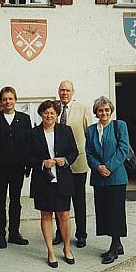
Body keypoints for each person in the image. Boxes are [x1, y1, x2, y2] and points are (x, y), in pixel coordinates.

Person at [28, 100, 78, 268]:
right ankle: (50, 251)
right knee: (46, 215)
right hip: (43, 182)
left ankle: (66, 248)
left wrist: (65, 160)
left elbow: (74, 152)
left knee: (64, 215)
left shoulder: (66, 130)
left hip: (62, 179)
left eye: (52, 113)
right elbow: (27, 157)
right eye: (45, 113)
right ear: (41, 114)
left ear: (57, 115)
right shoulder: (33, 133)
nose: (49, 116)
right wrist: (42, 163)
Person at [85, 96, 129, 265]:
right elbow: (88, 152)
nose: (103, 112)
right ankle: (118, 244)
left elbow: (123, 149)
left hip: (116, 177)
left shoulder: (120, 126)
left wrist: (108, 167)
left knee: (115, 212)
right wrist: (98, 167)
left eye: (106, 110)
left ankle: (113, 248)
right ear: (96, 112)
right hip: (99, 178)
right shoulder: (90, 130)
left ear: (111, 111)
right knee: (103, 211)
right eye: (100, 110)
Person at [53, 80, 92, 248]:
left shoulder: (82, 109)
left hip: (78, 163)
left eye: (67, 90)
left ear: (73, 91)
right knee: (59, 200)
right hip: (58, 164)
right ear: (58, 91)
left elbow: (89, 135)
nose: (64, 93)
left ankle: (81, 234)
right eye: (62, 90)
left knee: (78, 200)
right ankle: (60, 232)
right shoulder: (54, 109)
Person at [0, 86, 32, 248]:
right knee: (0, 200)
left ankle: (14, 233)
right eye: (4, 99)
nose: (7, 102)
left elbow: (28, 144)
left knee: (15, 200)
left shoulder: (24, 119)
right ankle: (0, 234)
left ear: (15, 100)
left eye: (10, 98)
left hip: (17, 168)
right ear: (1, 101)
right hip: (0, 169)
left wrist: (28, 166)